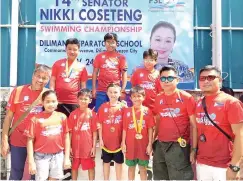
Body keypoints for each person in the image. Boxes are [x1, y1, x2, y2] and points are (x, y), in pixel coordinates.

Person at [1, 64, 51, 180]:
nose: (40, 80)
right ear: (33, 76)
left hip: (39, 143)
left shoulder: (48, 94)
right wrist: (4, 141)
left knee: (36, 175)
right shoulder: (18, 91)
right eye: (38, 76)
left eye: (44, 78)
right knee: (16, 173)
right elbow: (8, 117)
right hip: (18, 140)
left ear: (48, 80)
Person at [195, 65, 243, 180]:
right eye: (202, 78)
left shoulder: (231, 103)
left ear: (220, 80)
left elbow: (240, 135)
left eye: (211, 77)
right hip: (202, 163)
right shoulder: (198, 103)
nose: (206, 81)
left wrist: (235, 166)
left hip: (224, 166)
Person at [152, 65, 197, 180]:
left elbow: (194, 125)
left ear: (177, 80)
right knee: (160, 178)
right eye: (163, 78)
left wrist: (194, 149)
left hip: (179, 146)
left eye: (170, 78)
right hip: (161, 145)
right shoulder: (158, 98)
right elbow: (158, 120)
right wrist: (153, 140)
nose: (166, 81)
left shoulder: (187, 98)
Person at [24, 90, 71, 180]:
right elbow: (30, 140)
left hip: (58, 155)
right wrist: (31, 161)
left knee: (54, 178)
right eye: (47, 101)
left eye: (53, 101)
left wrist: (67, 158)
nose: (51, 104)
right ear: (42, 102)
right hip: (41, 156)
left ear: (57, 102)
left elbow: (66, 138)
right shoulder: (35, 119)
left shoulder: (62, 117)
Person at [122, 85, 155, 180]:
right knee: (131, 168)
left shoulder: (147, 111)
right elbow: (124, 129)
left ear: (143, 97)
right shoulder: (127, 111)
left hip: (143, 145)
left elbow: (150, 129)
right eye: (134, 96)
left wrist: (150, 144)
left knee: (143, 168)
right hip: (130, 145)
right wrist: (123, 143)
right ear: (131, 98)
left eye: (139, 96)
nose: (137, 98)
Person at [50, 38, 88, 117]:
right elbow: (52, 80)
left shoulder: (82, 67)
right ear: (66, 49)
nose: (72, 51)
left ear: (78, 50)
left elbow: (83, 85)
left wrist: (82, 100)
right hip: (58, 101)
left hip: (73, 102)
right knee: (58, 125)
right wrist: (51, 95)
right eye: (69, 49)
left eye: (75, 49)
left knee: (73, 125)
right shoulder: (58, 63)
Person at [92, 33, 128, 112]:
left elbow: (124, 74)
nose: (110, 44)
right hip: (101, 90)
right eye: (108, 42)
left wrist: (122, 90)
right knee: (100, 112)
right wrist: (94, 89)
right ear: (104, 43)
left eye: (113, 42)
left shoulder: (121, 57)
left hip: (115, 91)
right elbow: (95, 73)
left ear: (116, 44)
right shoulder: (99, 56)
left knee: (115, 112)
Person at [97, 83, 126, 180]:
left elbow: (126, 126)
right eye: (110, 92)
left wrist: (123, 141)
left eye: (115, 92)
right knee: (106, 163)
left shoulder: (123, 108)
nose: (113, 94)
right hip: (106, 142)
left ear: (120, 94)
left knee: (119, 163)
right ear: (107, 93)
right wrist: (100, 139)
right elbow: (100, 124)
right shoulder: (102, 107)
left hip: (118, 142)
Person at [68, 89, 97, 180]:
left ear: (90, 100)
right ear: (77, 99)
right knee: (74, 167)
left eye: (85, 99)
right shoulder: (72, 114)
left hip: (87, 148)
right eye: (81, 98)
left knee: (91, 167)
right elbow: (70, 132)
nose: (83, 101)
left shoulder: (92, 114)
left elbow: (94, 132)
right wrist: (69, 147)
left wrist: (93, 147)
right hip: (76, 148)